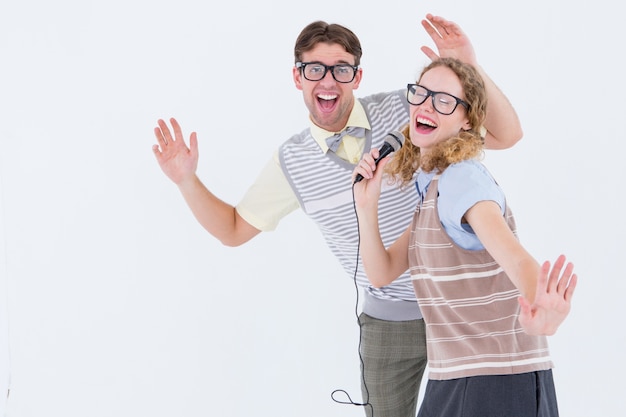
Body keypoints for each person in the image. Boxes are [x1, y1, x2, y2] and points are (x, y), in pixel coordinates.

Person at [152, 14, 523, 417]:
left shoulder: (408, 107)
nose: (328, 80)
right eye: (315, 69)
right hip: (389, 320)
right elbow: (234, 229)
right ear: (298, 78)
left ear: (357, 77)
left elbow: (506, 135)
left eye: (341, 69)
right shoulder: (291, 162)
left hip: (457, 305)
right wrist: (186, 181)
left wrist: (471, 67)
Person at [352, 57, 577, 417]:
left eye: (443, 100)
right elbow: (382, 273)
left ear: (468, 120)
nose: (426, 105)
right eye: (421, 94)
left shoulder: (461, 180)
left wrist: (543, 304)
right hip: (454, 377)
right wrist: (366, 206)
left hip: (497, 381)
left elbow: (515, 256)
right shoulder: (432, 193)